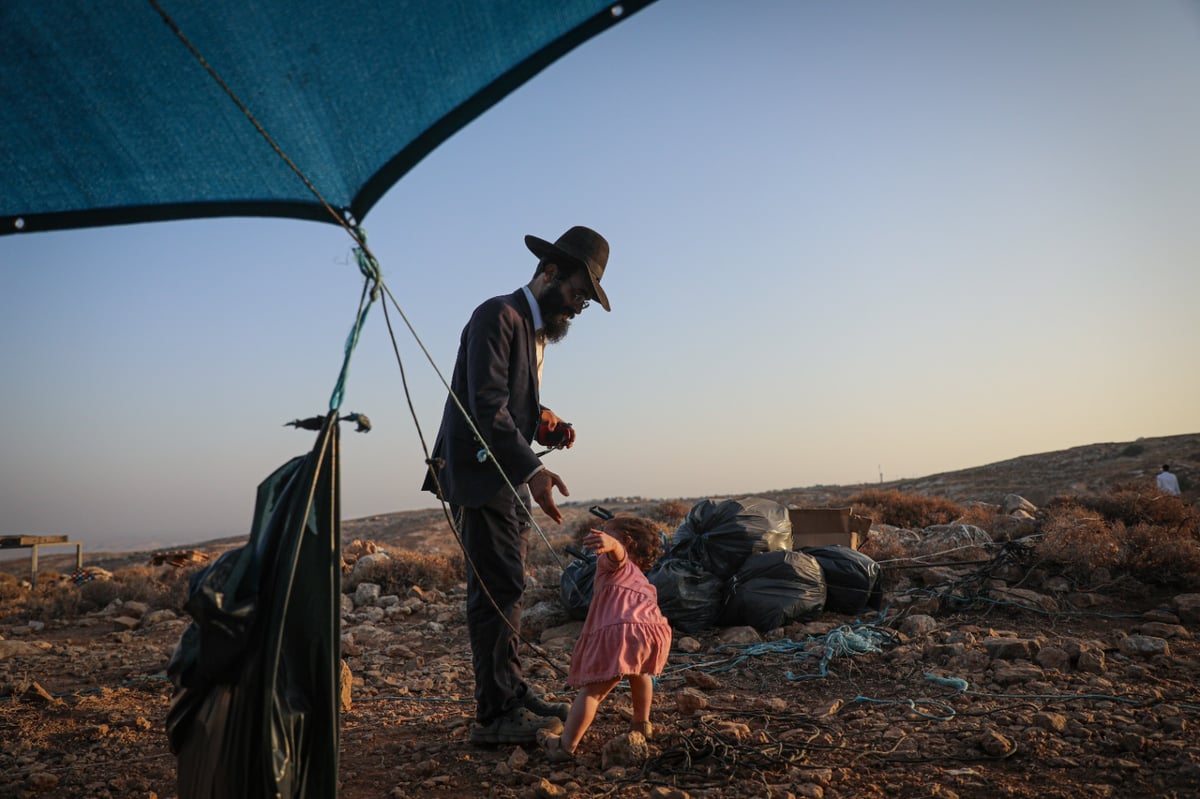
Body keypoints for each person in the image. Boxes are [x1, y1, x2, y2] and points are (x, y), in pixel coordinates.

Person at [421, 225, 612, 747]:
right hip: (482, 476)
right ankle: (494, 716)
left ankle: (509, 690)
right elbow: (486, 405)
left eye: (585, 303)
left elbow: (512, 404)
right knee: (495, 590)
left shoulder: (534, 333)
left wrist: (545, 423)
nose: (576, 308)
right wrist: (534, 468)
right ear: (549, 273)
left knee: (508, 586)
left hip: (503, 474)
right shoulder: (497, 316)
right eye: (577, 294)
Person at [538, 516, 672, 761]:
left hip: (622, 632)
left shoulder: (615, 564)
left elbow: (617, 554)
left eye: (606, 533)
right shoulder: (640, 577)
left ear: (627, 542)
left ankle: (565, 746)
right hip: (652, 631)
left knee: (592, 693)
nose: (601, 536)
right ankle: (641, 723)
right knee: (640, 674)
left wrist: (613, 545)